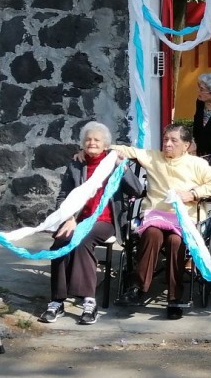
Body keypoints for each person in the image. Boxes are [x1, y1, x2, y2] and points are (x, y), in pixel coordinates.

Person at [113, 123, 211, 320]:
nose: (167, 144)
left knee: (175, 242)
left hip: (184, 217)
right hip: (156, 214)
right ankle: (138, 288)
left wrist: (193, 193)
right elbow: (122, 149)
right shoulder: (152, 157)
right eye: (165, 139)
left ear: (186, 145)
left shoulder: (197, 164)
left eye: (174, 141)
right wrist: (92, 148)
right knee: (152, 234)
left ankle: (174, 298)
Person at [41, 122, 143, 325]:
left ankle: (89, 301)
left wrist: (122, 167)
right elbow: (63, 195)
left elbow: (137, 190)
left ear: (106, 144)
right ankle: (57, 301)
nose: (92, 143)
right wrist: (68, 217)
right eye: (88, 139)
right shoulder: (76, 164)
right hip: (77, 219)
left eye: (97, 140)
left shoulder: (113, 163)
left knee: (82, 239)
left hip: (106, 221)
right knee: (60, 241)